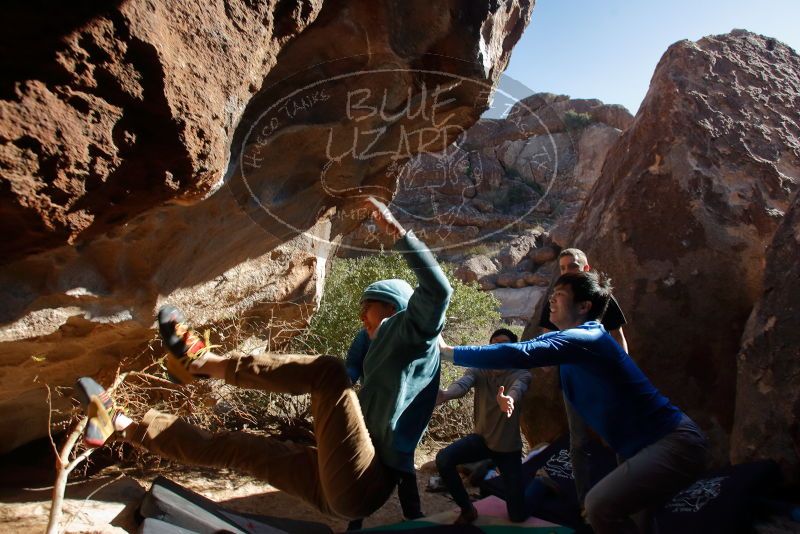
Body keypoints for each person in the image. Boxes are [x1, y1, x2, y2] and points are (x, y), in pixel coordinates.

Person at [75, 197, 452, 522]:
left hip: (365, 482)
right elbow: (348, 380)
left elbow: (438, 290)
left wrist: (398, 233)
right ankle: (121, 424)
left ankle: (202, 363)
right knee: (238, 447)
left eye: (367, 308)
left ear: (393, 309)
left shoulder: (416, 335)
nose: (361, 318)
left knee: (328, 372)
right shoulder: (375, 343)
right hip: (335, 485)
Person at [440, 271, 708, 534]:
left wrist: (448, 353)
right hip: (640, 449)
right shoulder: (569, 344)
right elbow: (530, 352)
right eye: (552, 294)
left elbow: (521, 353)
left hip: (673, 441)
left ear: (584, 306)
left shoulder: (590, 338)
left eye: (559, 295)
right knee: (637, 521)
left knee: (598, 506)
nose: (551, 301)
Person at [538, 247, 628, 507]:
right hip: (573, 382)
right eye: (563, 267)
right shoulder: (556, 299)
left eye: (573, 266)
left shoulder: (602, 298)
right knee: (578, 442)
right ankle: (583, 503)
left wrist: (623, 372)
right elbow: (547, 336)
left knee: (615, 438)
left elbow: (618, 337)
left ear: (586, 268)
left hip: (603, 380)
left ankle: (623, 497)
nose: (568, 271)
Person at [434, 328, 531, 524]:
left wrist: (509, 400)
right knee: (444, 459)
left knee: (517, 516)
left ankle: (540, 486)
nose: (496, 347)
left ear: (512, 349)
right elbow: (463, 384)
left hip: (507, 449)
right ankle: (468, 509)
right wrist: (445, 395)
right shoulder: (480, 369)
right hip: (481, 440)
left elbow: (518, 389)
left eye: (502, 344)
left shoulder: (521, 374)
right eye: (492, 344)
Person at [343, 327, 425, 530]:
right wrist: (344, 383)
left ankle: (413, 515)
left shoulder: (409, 334)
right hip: (372, 409)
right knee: (366, 463)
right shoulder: (365, 334)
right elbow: (353, 364)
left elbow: (421, 371)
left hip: (403, 412)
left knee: (404, 464)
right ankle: (356, 521)